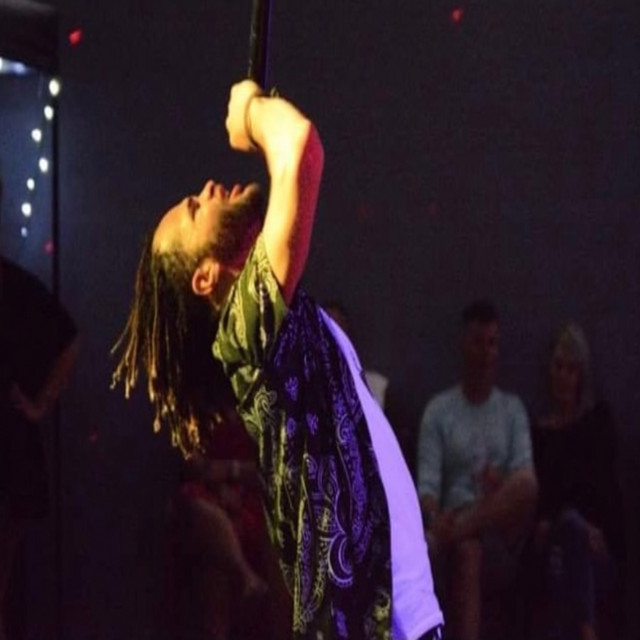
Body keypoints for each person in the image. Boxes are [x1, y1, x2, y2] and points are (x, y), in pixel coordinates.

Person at [112, 80, 443, 640]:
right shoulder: (246, 329)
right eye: (195, 208)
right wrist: (250, 113)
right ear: (205, 278)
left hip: (393, 613)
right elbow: (301, 149)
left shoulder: (271, 323)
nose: (208, 189)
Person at [416, 300, 537, 640]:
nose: (486, 354)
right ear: (463, 345)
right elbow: (426, 489)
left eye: (492, 344)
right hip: (454, 530)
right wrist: (435, 516)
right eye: (478, 343)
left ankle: (460, 529)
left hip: (500, 532)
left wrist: (500, 486)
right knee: (468, 549)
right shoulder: (439, 411)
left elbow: (524, 487)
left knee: (525, 482)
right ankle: (458, 531)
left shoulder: (511, 410)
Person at [0, 175, 79, 640]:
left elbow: (68, 339)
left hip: (8, 460)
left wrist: (37, 405)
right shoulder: (12, 283)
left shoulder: (10, 284)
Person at [164, 391, 291, 640]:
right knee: (199, 514)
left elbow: (277, 469)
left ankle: (245, 584)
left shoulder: (270, 402)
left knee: (217, 558)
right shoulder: (198, 399)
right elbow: (191, 457)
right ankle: (245, 576)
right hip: (212, 499)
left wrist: (230, 472)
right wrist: (217, 482)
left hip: (254, 499)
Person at [529, 323, 626, 640]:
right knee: (568, 532)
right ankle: (586, 630)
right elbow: (543, 504)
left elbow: (607, 491)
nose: (563, 376)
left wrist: (598, 533)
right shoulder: (540, 434)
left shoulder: (598, 422)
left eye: (571, 369)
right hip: (555, 544)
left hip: (596, 550)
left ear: (581, 375)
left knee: (573, 546)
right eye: (558, 366)